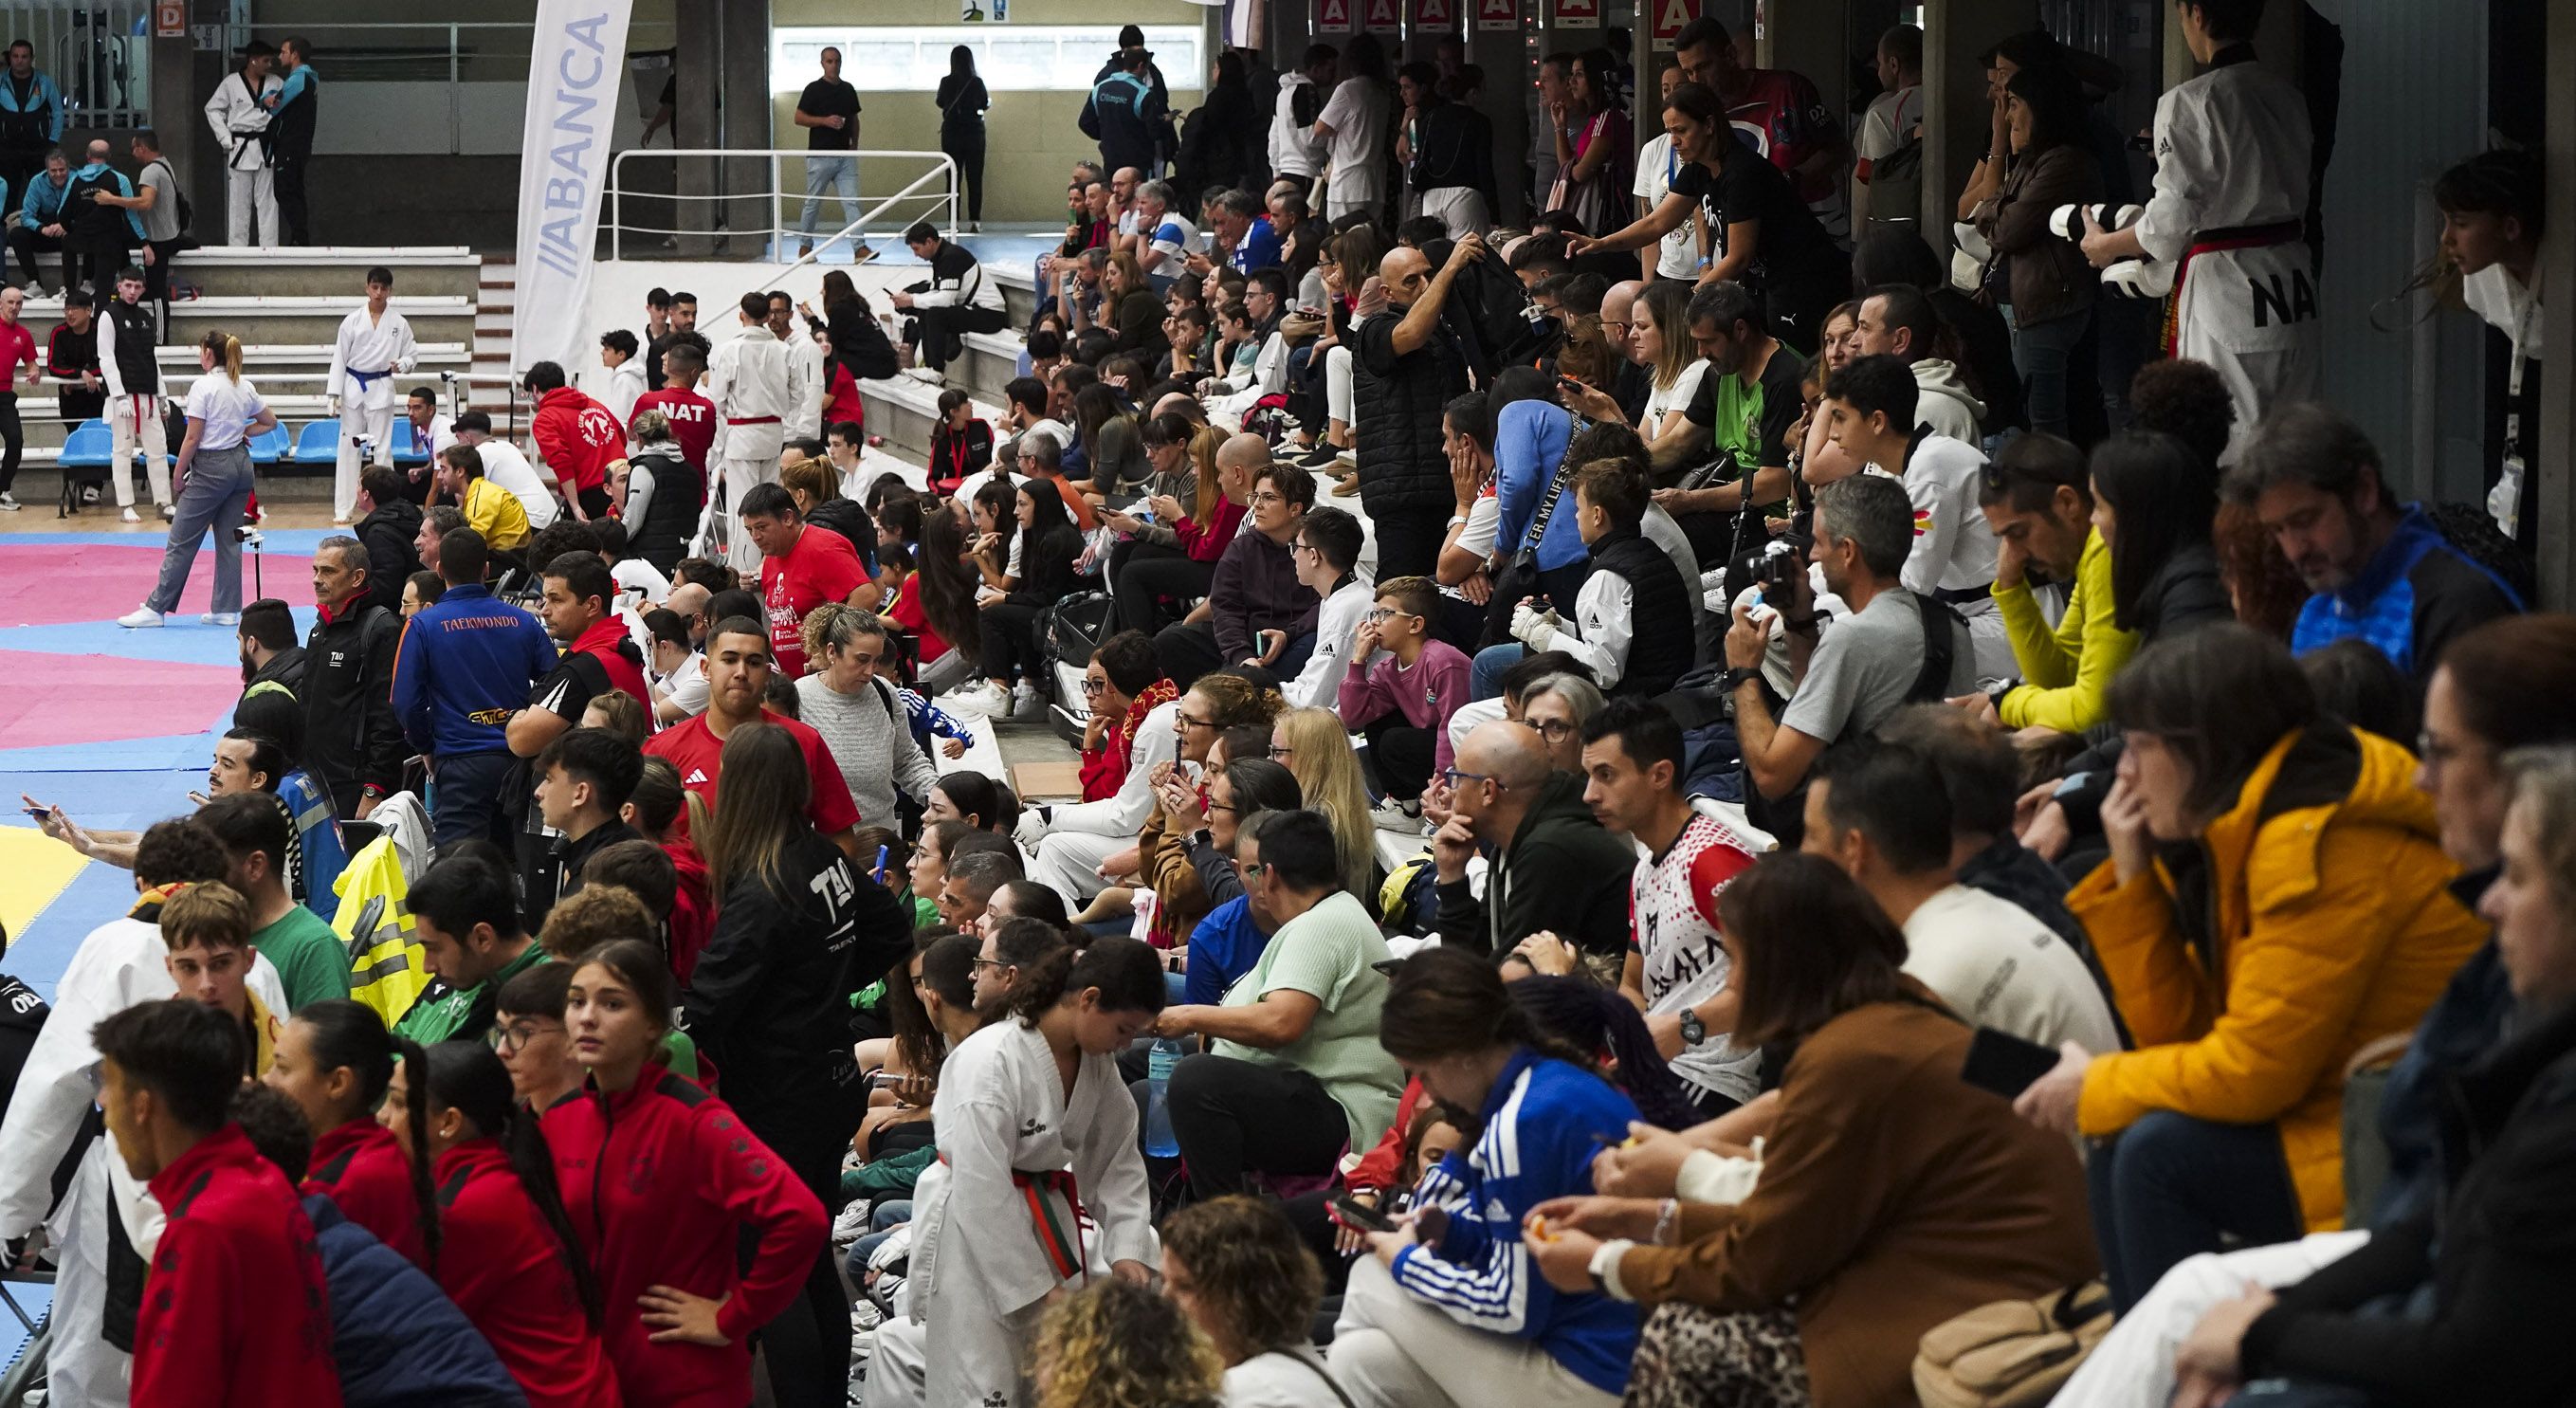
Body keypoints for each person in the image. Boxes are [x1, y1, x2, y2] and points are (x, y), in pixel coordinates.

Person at [2012, 625, 2488, 1310]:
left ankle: (2173, 1367)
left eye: (2140, 747)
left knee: (2155, 1152)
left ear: (2204, 750)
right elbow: (2179, 1038)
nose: (2122, 773)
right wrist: (2133, 879)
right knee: (2132, 1135)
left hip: (2400, 1147)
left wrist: (2096, 1082)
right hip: (2333, 1107)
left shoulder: (2316, 843)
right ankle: (2149, 1359)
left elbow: (2253, 1072)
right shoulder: (2245, 826)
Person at [1524, 853, 2099, 1408]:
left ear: (1784, 966)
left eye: (1738, 961)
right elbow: (1802, 1211)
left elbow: (1764, 1257)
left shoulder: (1854, 1053)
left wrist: (1605, 1267)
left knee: (1693, 1337)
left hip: (1991, 1316)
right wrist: (1647, 1218)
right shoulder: (1895, 1012)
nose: (1731, 984)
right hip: (2006, 1273)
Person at [0, 824, 291, 1407]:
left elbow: (55, 1086)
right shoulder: (252, 966)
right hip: (250, 1190)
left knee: (99, 1353)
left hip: (136, 1179)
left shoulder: (113, 945)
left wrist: (14, 1211)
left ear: (140, 882)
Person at [680, 723, 906, 1403]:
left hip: (776, 1097)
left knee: (772, 1267)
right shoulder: (820, 856)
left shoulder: (762, 888)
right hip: (829, 1078)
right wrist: (830, 984)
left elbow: (710, 1008)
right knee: (808, 1260)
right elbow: (892, 928)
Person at [1325, 945, 1638, 1408]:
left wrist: (1406, 1260)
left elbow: (1515, 1308)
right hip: (1606, 1359)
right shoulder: (1549, 1081)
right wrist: (1449, 1234)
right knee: (1358, 1359)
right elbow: (1521, 1247)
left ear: (1461, 1055)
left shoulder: (1521, 1121)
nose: (1427, 1092)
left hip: (1592, 1378)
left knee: (1374, 1275)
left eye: (1426, 1074)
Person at [544, 940, 828, 1408]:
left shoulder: (696, 1120)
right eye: (576, 1001)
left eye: (611, 1003)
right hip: (594, 1380)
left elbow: (801, 1219)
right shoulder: (561, 1119)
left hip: (685, 1382)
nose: (586, 1017)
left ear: (654, 1023)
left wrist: (733, 1317)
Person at [881, 939, 1163, 1408]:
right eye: (1123, 1029)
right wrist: (1037, 1293)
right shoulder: (990, 1060)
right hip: (976, 1234)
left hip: (1047, 1218)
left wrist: (1128, 1247)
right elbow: (981, 1190)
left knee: (1049, 1383)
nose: (1126, 1044)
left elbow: (1116, 1159)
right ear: (1088, 999)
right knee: (982, 1382)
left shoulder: (1096, 1062)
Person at [2077, 0, 2315, 447]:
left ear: (2198, 15)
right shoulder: (2288, 96)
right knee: (2293, 436)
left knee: (2224, 435)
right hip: (2291, 277)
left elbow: (2169, 227)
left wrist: (2106, 246)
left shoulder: (2189, 101)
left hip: (2229, 281)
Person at [93, 999, 342, 1407]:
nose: (106, 1113)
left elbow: (176, 1395)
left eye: (111, 1090)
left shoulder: (202, 1232)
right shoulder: (262, 1182)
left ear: (142, 1107)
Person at [1803, 739, 2122, 1051]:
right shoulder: (1986, 909)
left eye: (1811, 834)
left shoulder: (1925, 977)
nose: (1802, 853)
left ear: (1854, 848)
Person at [1150, 810, 1402, 1201]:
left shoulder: (1324, 924)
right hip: (1304, 1081)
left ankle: (1223, 1229)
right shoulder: (1324, 916)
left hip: (1342, 1106)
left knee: (1195, 1081)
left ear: (1268, 875)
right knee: (1139, 1070)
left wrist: (1189, 1015)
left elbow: (1281, 1023)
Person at [1728, 473, 1982, 846]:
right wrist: (1800, 621)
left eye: (1818, 542)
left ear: (1847, 552)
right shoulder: (1952, 626)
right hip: (1935, 832)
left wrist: (1743, 671)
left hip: (1875, 844)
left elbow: (1772, 776)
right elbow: (1817, 711)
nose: (1812, 555)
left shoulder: (1853, 637)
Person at [389, 1040, 622, 1407]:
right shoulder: (492, 1168)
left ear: (449, 1122)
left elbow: (413, 1331)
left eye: (399, 1103)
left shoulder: (470, 1206)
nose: (382, 1118)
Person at [1564, 697, 1764, 1115]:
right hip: (1661, 1065)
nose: (1589, 795)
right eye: (1588, 777)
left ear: (1659, 775)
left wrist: (1683, 1028)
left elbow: (1771, 984)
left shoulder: (1713, 860)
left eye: (1606, 776)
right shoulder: (1644, 871)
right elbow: (1634, 987)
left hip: (1711, 1081)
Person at [2224, 402, 2521, 679]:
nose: (2294, 550)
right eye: (2277, 530)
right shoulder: (2315, 614)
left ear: (2365, 491)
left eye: (2305, 521)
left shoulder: (2457, 606)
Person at [1570, 79, 1846, 352]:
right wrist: (1601, 243)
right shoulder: (1699, 168)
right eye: (1669, 132)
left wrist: (1688, 298)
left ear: (1710, 126)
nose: (1674, 141)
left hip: (1804, 279)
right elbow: (1657, 222)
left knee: (1791, 359)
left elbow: (1738, 258)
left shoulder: (1742, 173)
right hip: (1764, 281)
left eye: (1681, 130)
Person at [1816, 355, 2010, 677]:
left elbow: (1912, 583)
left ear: (1877, 421)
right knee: (1808, 617)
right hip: (1966, 608)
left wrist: (1822, 604)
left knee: (1844, 637)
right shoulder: (1906, 466)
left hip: (2003, 620)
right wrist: (1812, 589)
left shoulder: (1932, 468)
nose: (1832, 434)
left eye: (1839, 418)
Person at [644, 617, 862, 853]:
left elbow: (840, 837)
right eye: (729, 660)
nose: (741, 672)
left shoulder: (804, 742)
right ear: (706, 669)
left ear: (768, 673)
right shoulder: (662, 750)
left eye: (754, 662)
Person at [393, 527, 555, 842]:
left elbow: (404, 702)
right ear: (487, 569)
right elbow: (556, 684)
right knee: (515, 868)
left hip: (460, 763)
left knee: (461, 875)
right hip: (519, 762)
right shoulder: (523, 621)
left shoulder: (422, 626)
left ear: (439, 570)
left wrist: (426, 746)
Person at [1432, 719, 1636, 965]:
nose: (1452, 790)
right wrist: (1452, 875)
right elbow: (1479, 958)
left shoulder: (1551, 850)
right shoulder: (1514, 839)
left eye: (1457, 777)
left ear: (1488, 791)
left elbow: (1505, 980)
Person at [1973, 430, 2136, 734]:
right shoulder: (2088, 556)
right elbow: (2056, 677)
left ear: (2067, 502)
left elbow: (2092, 709)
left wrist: (2006, 702)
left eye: (2019, 533)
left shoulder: (2105, 550)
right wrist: (2010, 587)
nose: (2014, 554)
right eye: (2004, 539)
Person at [1506, 458, 1697, 699]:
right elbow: (1618, 637)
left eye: (1578, 508)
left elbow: (1604, 670)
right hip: (1664, 696)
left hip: (1627, 711)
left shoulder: (1608, 577)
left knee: (1476, 694)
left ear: (1597, 515)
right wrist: (1557, 624)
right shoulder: (1649, 552)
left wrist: (1541, 635)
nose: (1576, 517)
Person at [116, 330, 271, 617]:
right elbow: (270, 422)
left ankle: (155, 607)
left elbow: (192, 438)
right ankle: (226, 610)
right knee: (229, 539)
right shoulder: (244, 385)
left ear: (208, 354)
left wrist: (178, 474)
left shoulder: (204, 386)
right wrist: (243, 431)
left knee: (181, 540)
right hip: (240, 465)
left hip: (212, 468)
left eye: (201, 351)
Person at [1020, 631, 1181, 902]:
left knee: (1054, 848)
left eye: (1098, 684)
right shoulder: (1148, 714)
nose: (1091, 695)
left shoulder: (1153, 726)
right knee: (1049, 840)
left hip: (1168, 842)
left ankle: (1065, 933)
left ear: (1112, 687)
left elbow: (1124, 816)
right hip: (1159, 830)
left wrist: (1048, 816)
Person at [264, 999, 429, 1262]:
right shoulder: (345, 1155)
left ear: (338, 1083)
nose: (267, 1080)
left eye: (282, 1068)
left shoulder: (356, 1179)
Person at [1355, 237, 1481, 580]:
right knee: (1400, 600)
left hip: (1447, 485)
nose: (1425, 285)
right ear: (1387, 293)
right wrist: (1451, 267)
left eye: (1429, 274)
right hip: (1401, 495)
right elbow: (1410, 333)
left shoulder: (1444, 331)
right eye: (1411, 281)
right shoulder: (1373, 330)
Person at [1156, 452, 1318, 690]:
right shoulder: (1242, 547)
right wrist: (1241, 655)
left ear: (1295, 508)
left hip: (1293, 640)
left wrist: (1288, 634)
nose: (1257, 505)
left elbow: (1326, 605)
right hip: (1245, 638)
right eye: (1256, 496)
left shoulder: (1316, 548)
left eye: (1269, 498)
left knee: (1242, 683)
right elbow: (1225, 606)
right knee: (1169, 642)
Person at [1160, 1196, 1343, 1404]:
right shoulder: (1290, 1364)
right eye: (1164, 1282)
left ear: (1241, 1296)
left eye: (1185, 1287)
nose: (1165, 1299)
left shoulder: (1253, 1394)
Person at [200, 789, 353, 1009]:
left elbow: (323, 1042)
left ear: (255, 866)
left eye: (210, 862)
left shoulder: (314, 948)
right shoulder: (210, 929)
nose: (197, 876)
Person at [795, 603, 941, 831]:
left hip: (881, 841)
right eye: (862, 659)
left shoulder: (884, 692)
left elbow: (907, 761)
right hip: (820, 849)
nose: (870, 671)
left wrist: (940, 797)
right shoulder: (798, 699)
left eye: (876, 661)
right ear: (832, 652)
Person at [292, 535, 406, 820]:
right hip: (318, 777)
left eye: (328, 571)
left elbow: (388, 716)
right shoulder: (322, 627)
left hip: (355, 785)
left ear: (357, 577)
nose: (317, 579)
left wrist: (374, 788)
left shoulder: (381, 629)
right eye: (315, 570)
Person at [1337, 575, 1470, 806]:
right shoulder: (1387, 669)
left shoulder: (1443, 661)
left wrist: (1441, 787)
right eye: (1374, 613)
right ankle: (1405, 805)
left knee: (1395, 741)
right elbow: (1353, 717)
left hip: (1463, 754)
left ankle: (1440, 800)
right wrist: (1358, 660)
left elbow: (1453, 730)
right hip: (1433, 749)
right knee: (1377, 723)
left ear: (1415, 624)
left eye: (1385, 614)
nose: (1374, 622)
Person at [393, 851, 545, 1046]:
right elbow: (395, 1042)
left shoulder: (543, 1001)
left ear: (482, 938)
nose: (427, 966)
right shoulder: (468, 971)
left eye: (434, 949)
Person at [703, 292, 796, 574]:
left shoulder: (729, 350)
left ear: (741, 314)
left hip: (742, 435)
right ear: (768, 316)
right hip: (774, 432)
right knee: (769, 504)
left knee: (744, 507)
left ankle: (744, 570)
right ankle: (769, 566)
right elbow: (798, 395)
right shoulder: (784, 349)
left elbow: (716, 398)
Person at [735, 480, 865, 681]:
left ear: (787, 518)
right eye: (749, 530)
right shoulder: (773, 554)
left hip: (824, 683)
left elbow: (866, 595)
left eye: (761, 527)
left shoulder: (822, 547)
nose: (755, 537)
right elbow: (783, 615)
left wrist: (829, 652)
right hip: (787, 683)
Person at [325, 266, 418, 522]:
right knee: (348, 448)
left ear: (390, 291)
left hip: (381, 386)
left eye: (384, 288)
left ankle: (386, 506)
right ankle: (343, 509)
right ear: (367, 288)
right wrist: (333, 393)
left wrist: (404, 364)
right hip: (353, 385)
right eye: (374, 287)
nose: (378, 293)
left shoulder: (399, 323)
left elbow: (412, 354)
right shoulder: (352, 321)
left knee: (383, 449)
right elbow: (339, 358)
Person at [1847, 283, 1986, 444]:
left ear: (1900, 340)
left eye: (1865, 328)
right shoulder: (1900, 396)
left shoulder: (1924, 408)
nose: (1853, 341)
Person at [890, 220, 1009, 380]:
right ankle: (929, 367)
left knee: (935, 314)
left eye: (916, 249)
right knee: (926, 312)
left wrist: (911, 300)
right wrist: (909, 299)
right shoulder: (941, 257)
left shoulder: (951, 257)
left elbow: (946, 299)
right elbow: (936, 292)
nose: (915, 255)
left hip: (990, 314)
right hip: (974, 309)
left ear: (929, 242)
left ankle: (937, 370)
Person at [95, 265, 169, 519]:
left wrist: (162, 394)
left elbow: (151, 358)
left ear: (143, 289)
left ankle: (163, 502)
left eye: (137, 286)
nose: (132, 291)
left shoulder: (147, 317)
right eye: (128, 285)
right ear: (119, 286)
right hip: (123, 396)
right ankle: (126, 504)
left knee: (157, 448)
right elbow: (105, 358)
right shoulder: (108, 315)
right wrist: (118, 395)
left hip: (147, 392)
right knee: (123, 449)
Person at [793, 46, 868, 262]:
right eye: (829, 61)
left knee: (852, 202)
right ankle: (805, 248)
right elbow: (798, 117)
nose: (833, 65)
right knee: (812, 202)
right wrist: (824, 121)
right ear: (822, 63)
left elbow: (854, 118)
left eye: (837, 61)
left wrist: (854, 146)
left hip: (845, 157)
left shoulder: (848, 89)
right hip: (820, 155)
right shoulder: (813, 89)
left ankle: (859, 248)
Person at [526, 359, 624, 524]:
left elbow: (561, 462)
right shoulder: (596, 405)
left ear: (535, 388)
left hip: (589, 496)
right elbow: (621, 436)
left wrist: (575, 505)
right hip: (622, 488)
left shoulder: (546, 418)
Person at [203, 42, 281, 247]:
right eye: (265, 60)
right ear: (252, 60)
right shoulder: (231, 83)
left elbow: (286, 113)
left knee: (269, 204)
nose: (269, 65)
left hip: (266, 146)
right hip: (240, 147)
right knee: (238, 205)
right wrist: (225, 138)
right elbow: (212, 109)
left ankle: (269, 250)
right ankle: (237, 252)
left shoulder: (276, 83)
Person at [1312, 35, 1390, 222]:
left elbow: (1320, 128)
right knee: (1369, 241)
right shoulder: (1382, 92)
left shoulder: (1348, 89)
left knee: (1342, 242)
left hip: (1348, 180)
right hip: (1375, 179)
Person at [1081, 46, 1165, 178]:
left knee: (1114, 196)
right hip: (1138, 166)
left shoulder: (1099, 89)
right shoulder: (1143, 94)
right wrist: (1163, 122)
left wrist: (1106, 136)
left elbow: (1085, 122)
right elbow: (1154, 132)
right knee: (1140, 198)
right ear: (1141, 65)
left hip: (1111, 161)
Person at [352, 466, 424, 618]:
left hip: (398, 608)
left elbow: (386, 582)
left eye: (359, 485)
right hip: (418, 591)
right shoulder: (408, 511)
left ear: (366, 494)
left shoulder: (379, 533)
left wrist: (351, 600)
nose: (356, 489)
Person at [0, 40, 62, 217]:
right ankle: (6, 233)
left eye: (24, 56)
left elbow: (57, 112)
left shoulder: (44, 82)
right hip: (7, 147)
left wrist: (52, 141)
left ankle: (43, 229)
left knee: (43, 191)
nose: (19, 60)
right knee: (7, 192)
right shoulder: (1, 81)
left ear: (32, 58)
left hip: (38, 147)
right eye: (15, 56)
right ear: (10, 58)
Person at [1269, 45, 1336, 196]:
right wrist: (1332, 134)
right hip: (1305, 170)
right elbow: (1311, 137)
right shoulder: (1306, 90)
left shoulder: (1284, 91)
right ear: (1316, 69)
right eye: (1330, 70)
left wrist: (1276, 170)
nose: (1334, 76)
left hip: (1285, 171)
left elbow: (1274, 136)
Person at [937, 46, 990, 229]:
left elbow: (939, 102)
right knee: (975, 179)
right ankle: (975, 221)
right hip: (975, 134)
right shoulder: (977, 82)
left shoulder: (945, 81)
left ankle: (954, 221)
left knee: (952, 178)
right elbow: (985, 103)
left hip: (952, 134)